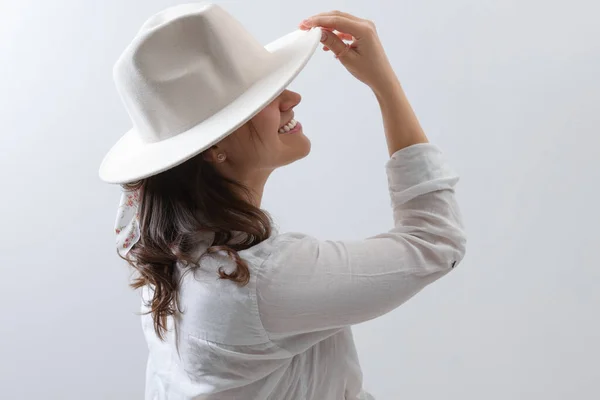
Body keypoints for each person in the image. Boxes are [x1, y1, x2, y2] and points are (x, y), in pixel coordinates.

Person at [99, 3, 466, 399]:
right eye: (264, 96)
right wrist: (384, 84)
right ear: (214, 147)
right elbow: (436, 244)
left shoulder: (169, 254)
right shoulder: (258, 282)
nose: (291, 97)